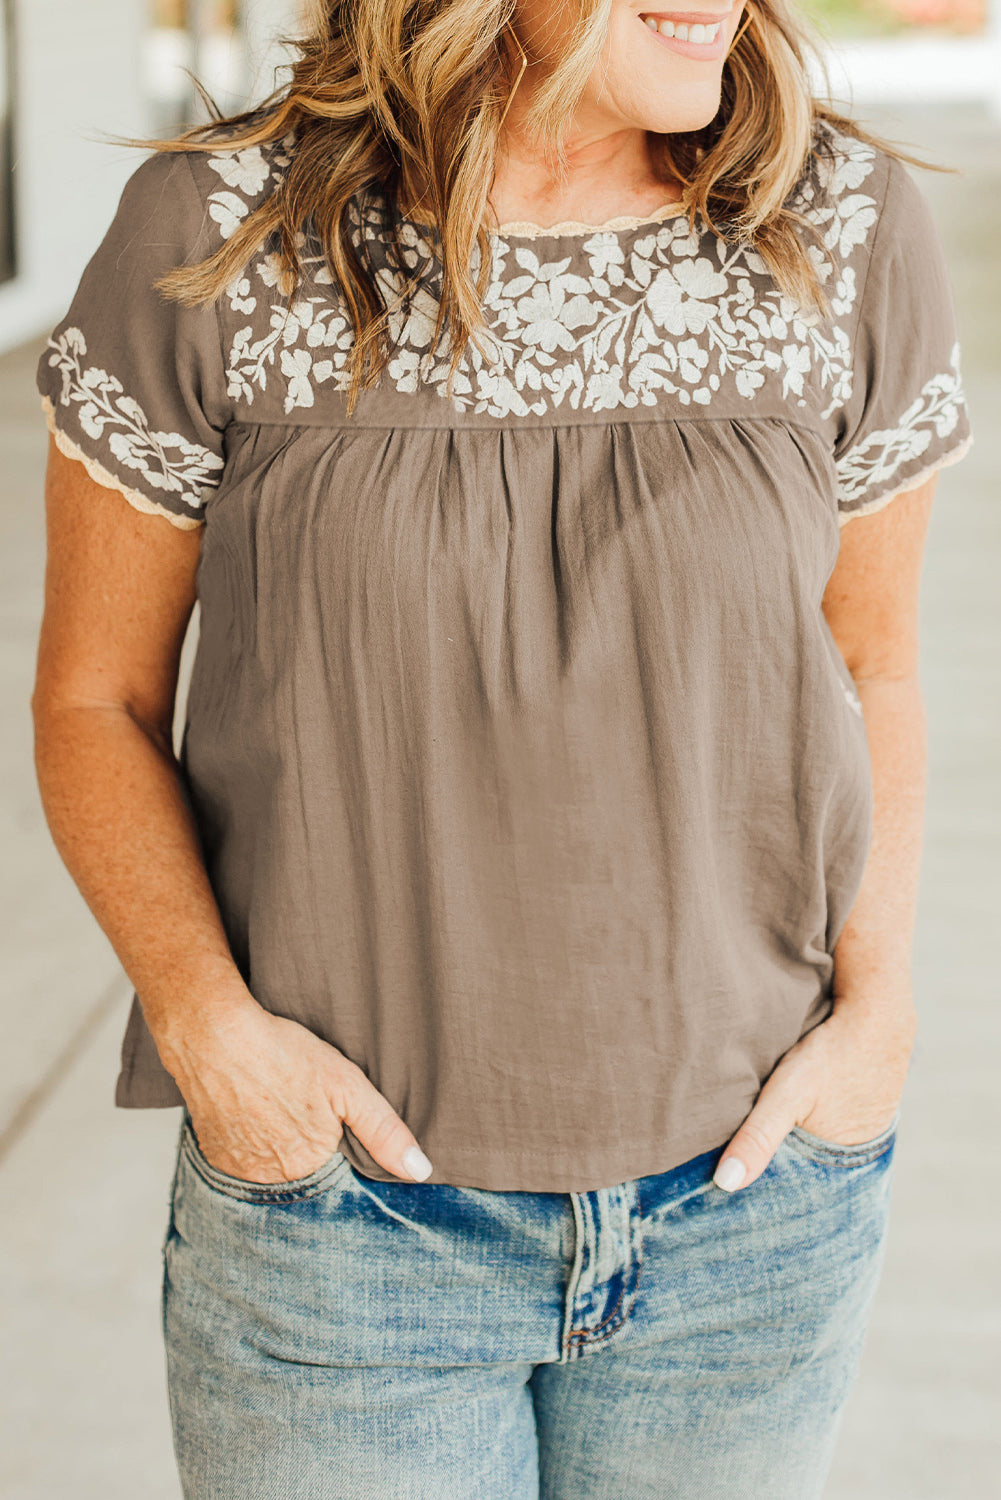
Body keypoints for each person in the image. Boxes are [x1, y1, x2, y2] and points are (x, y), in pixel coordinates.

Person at [31, 0, 973, 1492]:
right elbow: (95, 700)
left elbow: (871, 662)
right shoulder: (225, 232)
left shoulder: (839, 225)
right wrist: (211, 1032)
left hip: (750, 1217)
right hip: (345, 1238)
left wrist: (879, 1020)